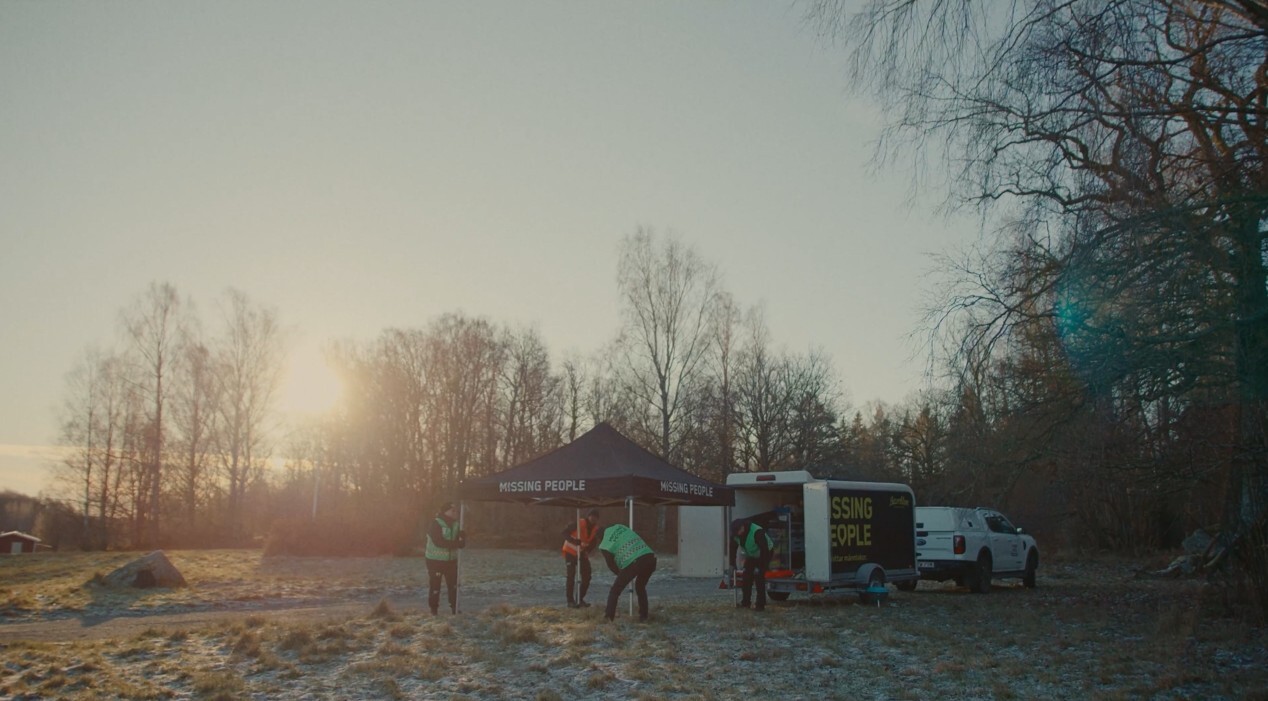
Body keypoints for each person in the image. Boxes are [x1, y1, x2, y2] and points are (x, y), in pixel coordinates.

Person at [597, 523, 657, 622]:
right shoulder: (620, 527)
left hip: (633, 562)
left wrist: (621, 574)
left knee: (615, 591)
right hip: (649, 557)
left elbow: (611, 564)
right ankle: (644, 616)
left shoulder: (604, 544)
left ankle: (608, 618)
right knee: (640, 587)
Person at [424, 501, 466, 615]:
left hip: (451, 561)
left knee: (453, 586)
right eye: (452, 510)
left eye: (456, 510)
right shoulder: (436, 524)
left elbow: (460, 542)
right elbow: (439, 542)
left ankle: (454, 608)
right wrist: (456, 543)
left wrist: (462, 538)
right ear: (445, 512)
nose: (455, 512)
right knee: (435, 586)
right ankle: (434, 609)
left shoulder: (457, 525)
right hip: (435, 561)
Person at [729, 517, 773, 611]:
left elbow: (764, 549)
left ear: (742, 527)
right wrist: (732, 564)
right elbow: (732, 549)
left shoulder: (757, 532)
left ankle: (760, 605)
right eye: (735, 533)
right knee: (746, 577)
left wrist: (761, 566)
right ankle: (745, 603)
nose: (737, 535)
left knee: (759, 577)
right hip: (752, 555)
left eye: (738, 532)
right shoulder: (735, 535)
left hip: (765, 553)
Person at [561, 509, 600, 608]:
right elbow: (564, 533)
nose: (593, 518)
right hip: (570, 552)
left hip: (581, 553)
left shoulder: (595, 529)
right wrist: (573, 540)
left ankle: (580, 598)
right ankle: (570, 601)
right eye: (592, 516)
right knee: (571, 576)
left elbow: (593, 542)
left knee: (587, 575)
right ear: (588, 516)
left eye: (596, 517)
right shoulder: (579, 523)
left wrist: (588, 551)